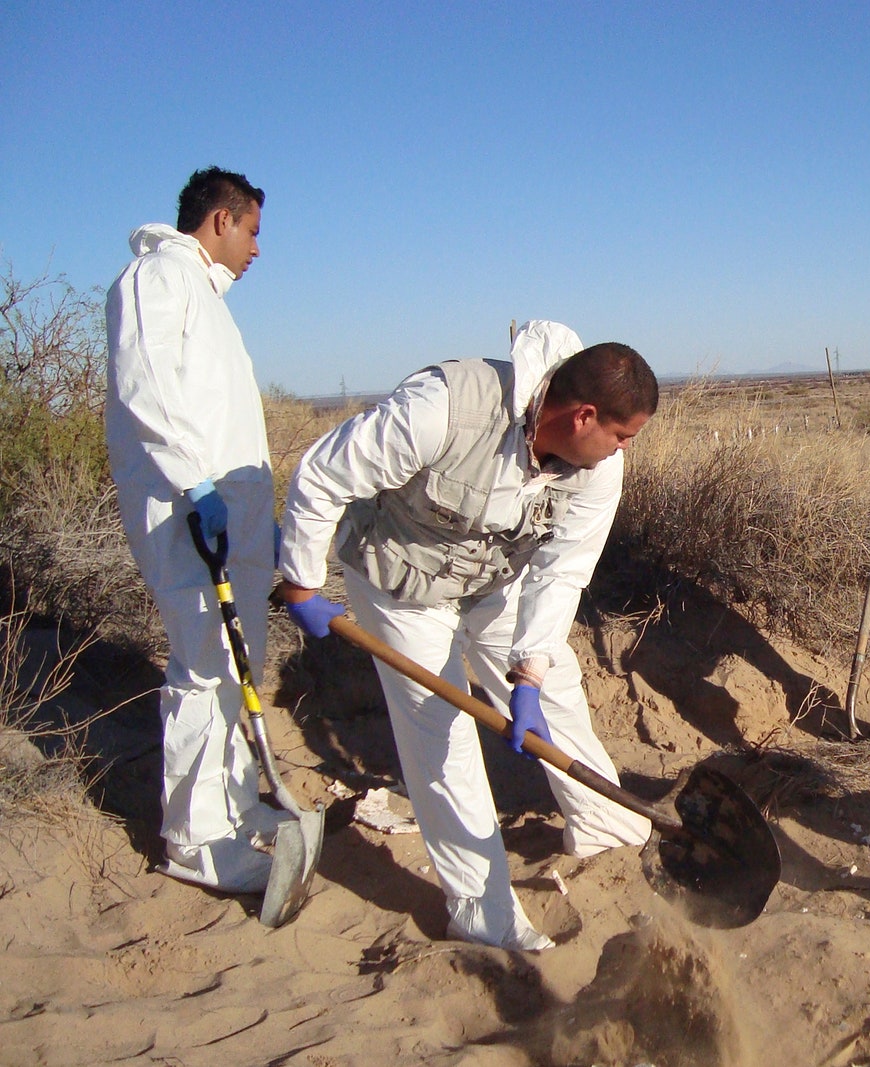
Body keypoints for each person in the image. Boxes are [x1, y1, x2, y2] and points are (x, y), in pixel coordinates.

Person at [276, 321, 656, 949]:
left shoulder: (598, 471)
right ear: (584, 416)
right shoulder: (445, 408)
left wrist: (527, 676)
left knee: (554, 686)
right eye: (620, 436)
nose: (622, 450)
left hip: (492, 575)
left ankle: (606, 825)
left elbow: (561, 573)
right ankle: (481, 907)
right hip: (400, 573)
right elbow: (324, 473)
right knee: (440, 730)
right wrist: (300, 581)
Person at [105, 167, 282, 893]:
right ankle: (195, 840)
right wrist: (196, 485)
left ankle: (236, 806)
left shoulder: (209, 300)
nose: (256, 249)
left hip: (226, 514)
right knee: (205, 667)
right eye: (253, 231)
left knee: (236, 665)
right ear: (220, 220)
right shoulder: (155, 279)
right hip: (187, 512)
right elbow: (145, 384)